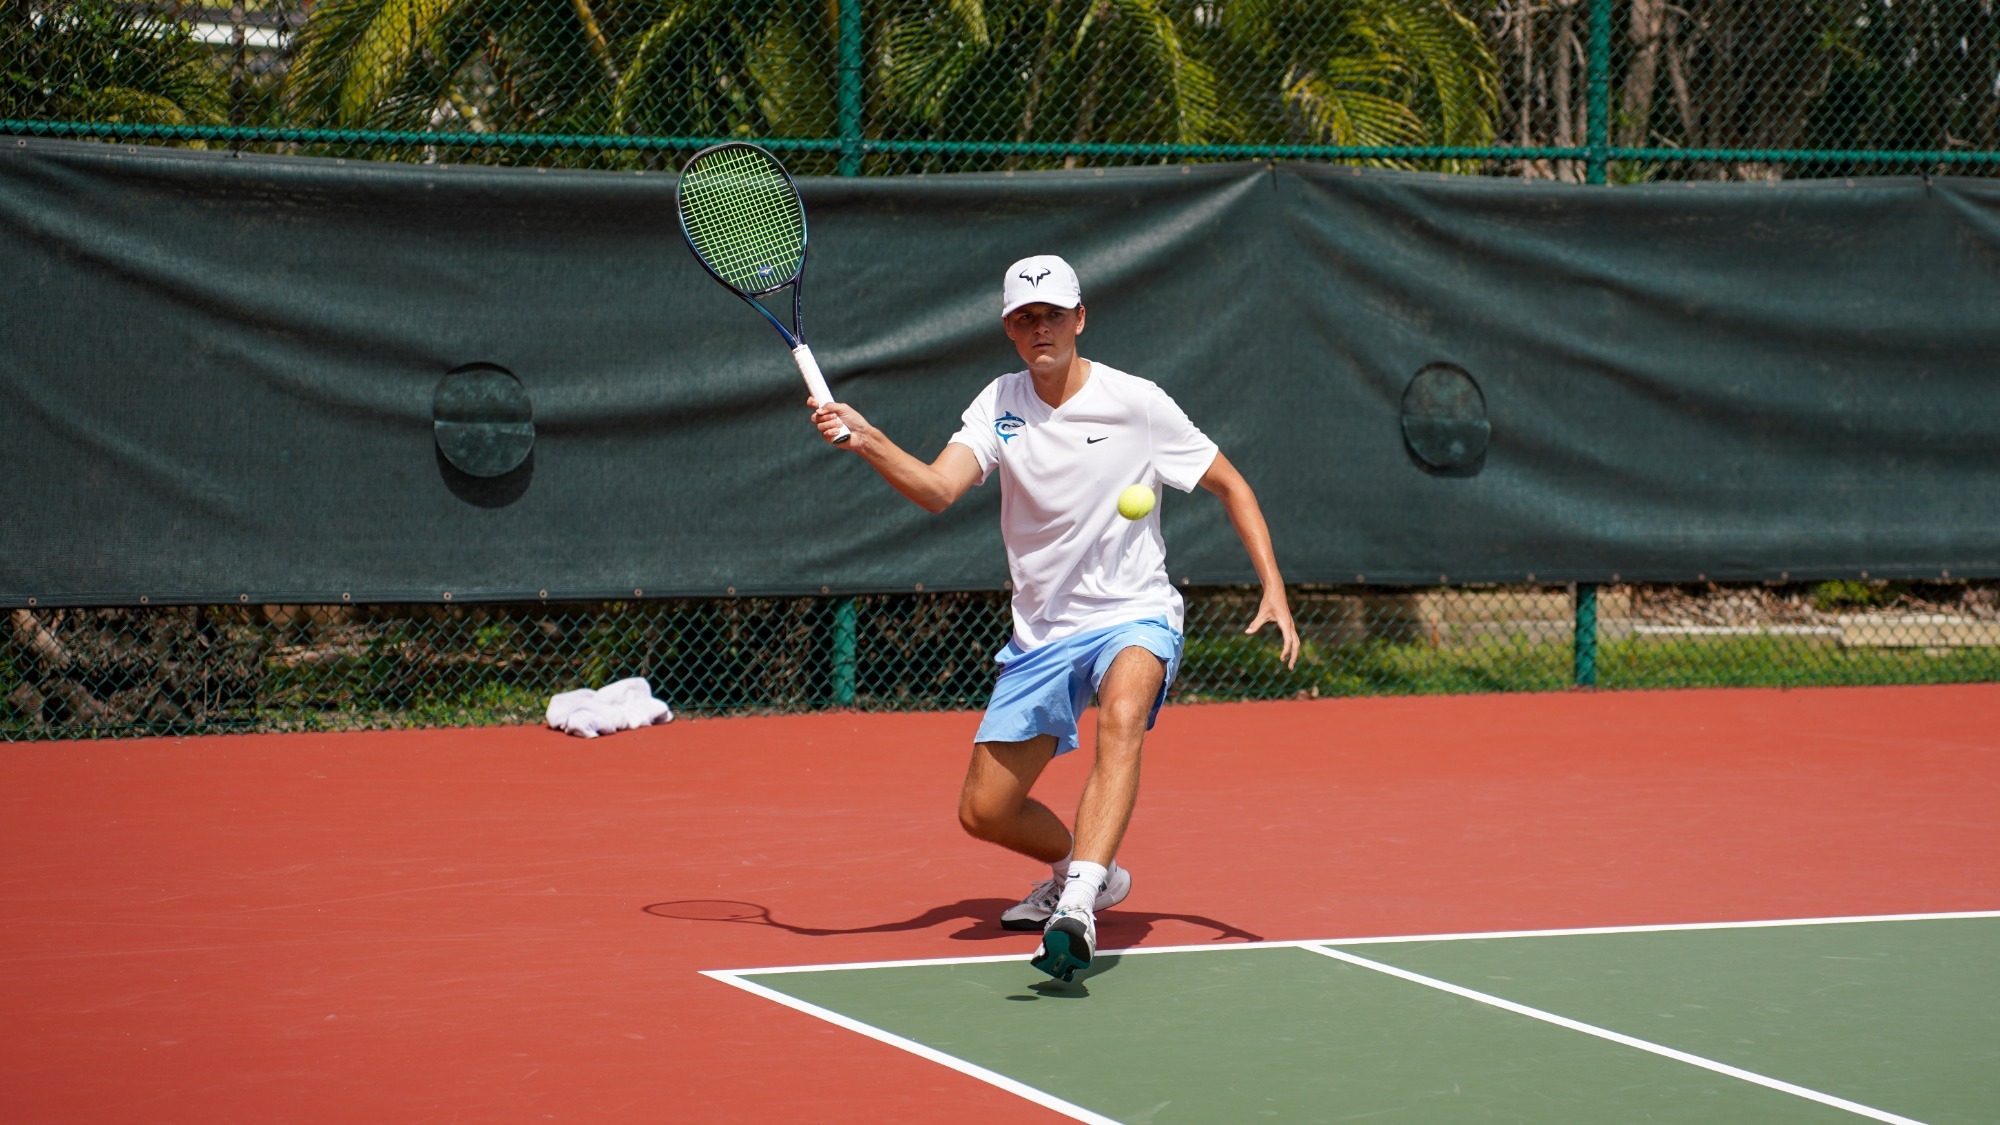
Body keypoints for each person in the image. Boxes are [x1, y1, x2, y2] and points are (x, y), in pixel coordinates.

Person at [807, 254, 1298, 982]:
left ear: (1080, 318)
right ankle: (1087, 868)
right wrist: (869, 439)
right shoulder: (999, 403)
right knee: (985, 810)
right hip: (1043, 633)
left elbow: (1231, 483)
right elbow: (940, 489)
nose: (1041, 327)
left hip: (1134, 610)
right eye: (1024, 317)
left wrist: (1274, 589)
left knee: (1123, 715)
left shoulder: (1139, 402)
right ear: (1009, 330)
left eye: (1053, 314)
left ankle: (1076, 906)